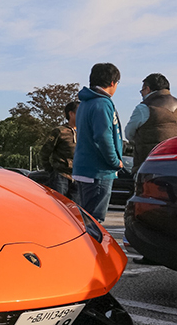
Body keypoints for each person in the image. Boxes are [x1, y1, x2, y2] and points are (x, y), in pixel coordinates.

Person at [72, 63, 124, 223]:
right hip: (98, 171)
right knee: (95, 222)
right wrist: (115, 162)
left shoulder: (85, 103)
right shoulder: (102, 103)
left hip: (83, 167)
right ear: (112, 83)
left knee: (85, 219)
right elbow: (103, 137)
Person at [124, 73, 177, 174]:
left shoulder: (144, 108)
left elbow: (129, 133)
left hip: (148, 166)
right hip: (173, 165)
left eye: (142, 91)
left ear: (147, 89)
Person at [40, 101, 80, 202]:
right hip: (61, 176)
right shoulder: (60, 131)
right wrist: (51, 170)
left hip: (79, 177)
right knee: (58, 207)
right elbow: (44, 152)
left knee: (76, 211)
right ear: (71, 114)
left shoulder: (85, 132)